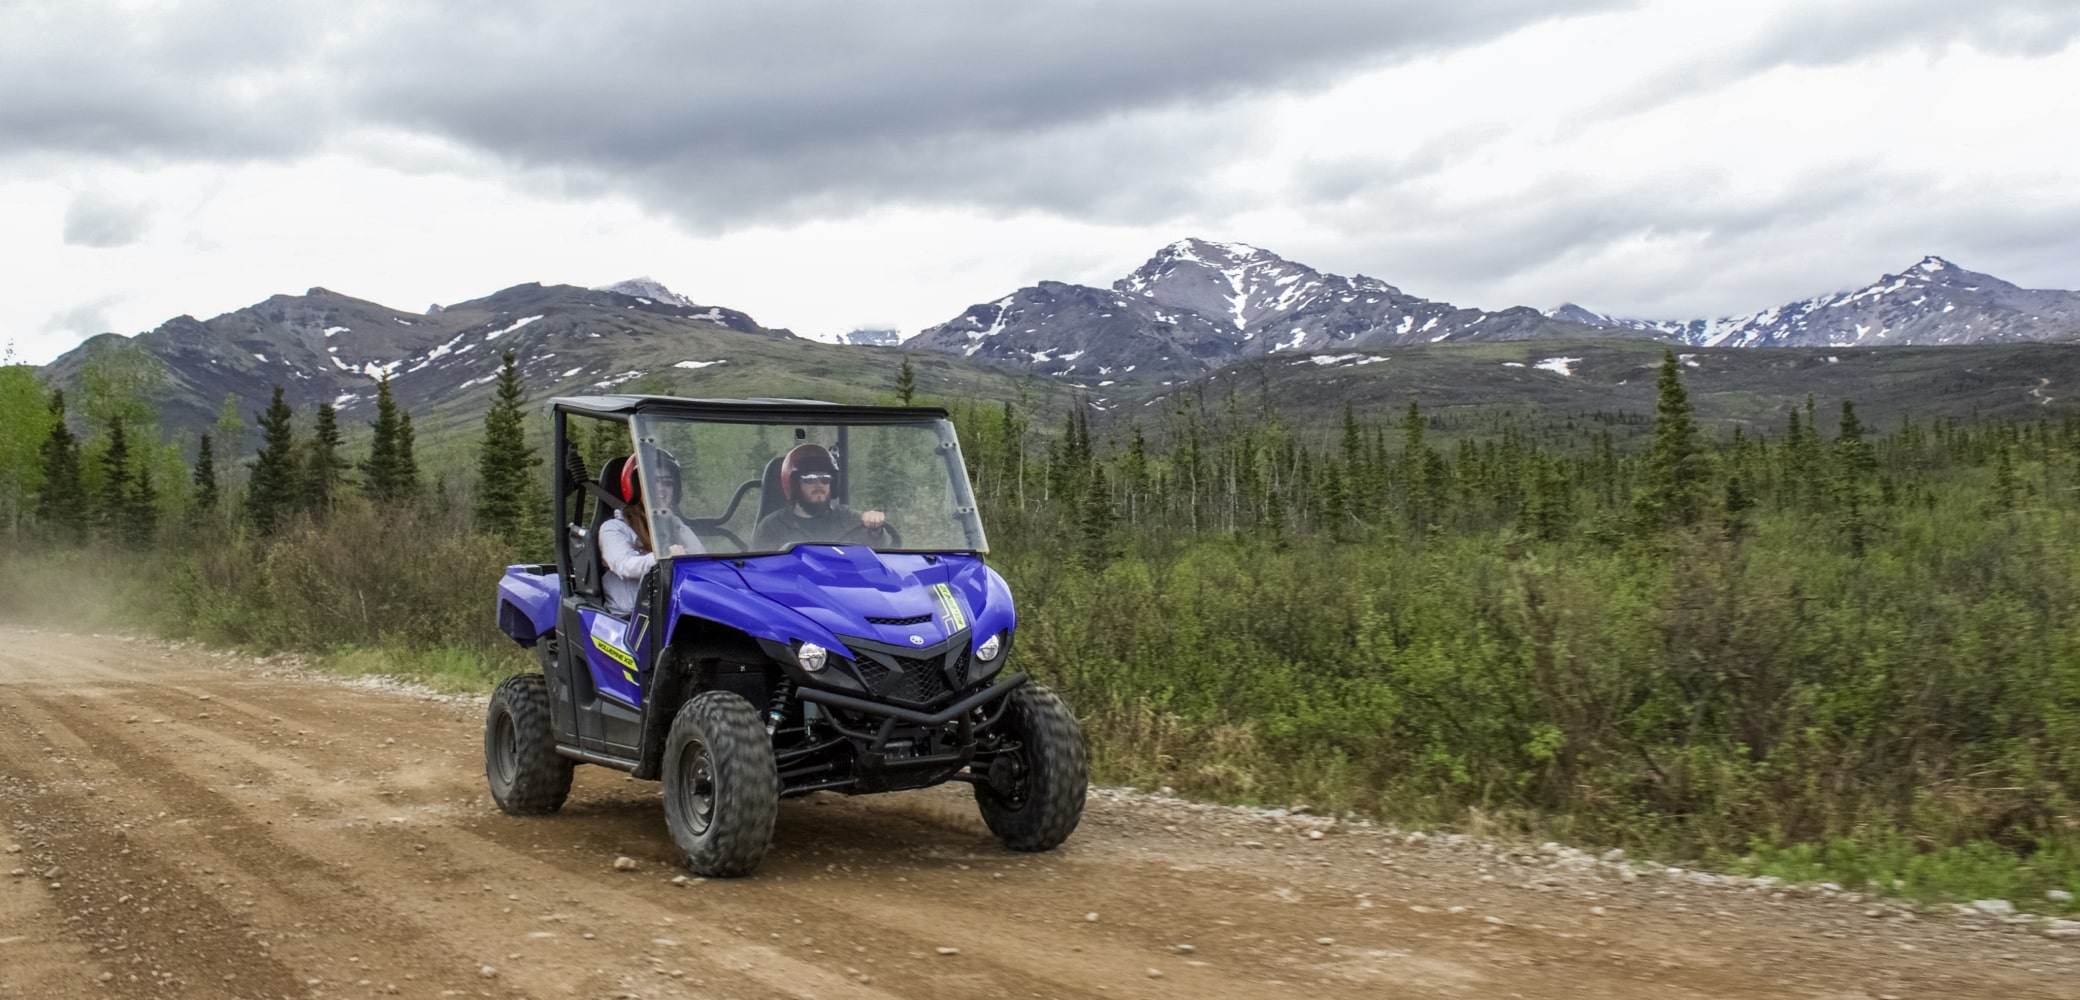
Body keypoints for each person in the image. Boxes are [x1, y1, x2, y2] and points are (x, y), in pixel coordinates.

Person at [598, 451, 704, 616]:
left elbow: (702, 557)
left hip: (669, 613)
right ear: (635, 486)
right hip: (629, 619)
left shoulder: (675, 524)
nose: (661, 488)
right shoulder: (613, 528)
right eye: (653, 482)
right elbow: (625, 565)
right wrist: (663, 557)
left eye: (668, 483)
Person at [752, 443, 887, 551]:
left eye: (825, 478)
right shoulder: (772, 526)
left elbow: (880, 554)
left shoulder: (847, 519)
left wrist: (875, 528)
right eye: (809, 478)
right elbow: (759, 571)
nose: (819, 484)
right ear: (794, 485)